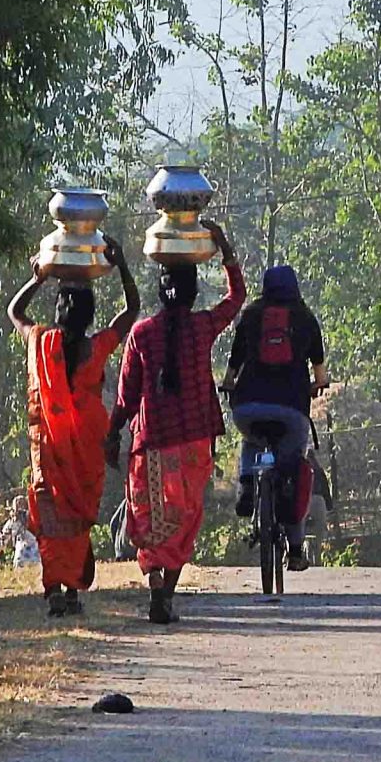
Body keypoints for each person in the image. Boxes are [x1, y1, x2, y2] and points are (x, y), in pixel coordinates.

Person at [105, 222, 245, 625]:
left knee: (149, 521)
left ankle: (156, 590)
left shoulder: (141, 333)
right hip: (193, 440)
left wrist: (113, 433)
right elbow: (237, 299)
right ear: (193, 292)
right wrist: (225, 248)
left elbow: (126, 396)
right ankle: (167, 592)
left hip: (150, 442)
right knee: (185, 518)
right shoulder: (202, 327)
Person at [7, 237, 141, 617]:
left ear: (59, 312)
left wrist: (39, 277)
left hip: (48, 449)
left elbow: (15, 311)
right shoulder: (96, 348)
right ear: (89, 315)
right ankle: (70, 589)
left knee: (51, 521)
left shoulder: (40, 342)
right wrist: (121, 266)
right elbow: (132, 311)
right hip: (85, 448)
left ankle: (53, 587)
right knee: (77, 520)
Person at [220, 265, 330, 572]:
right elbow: (320, 374)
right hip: (292, 410)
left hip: (249, 407)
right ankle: (295, 550)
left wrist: (229, 385)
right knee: (292, 472)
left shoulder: (251, 315)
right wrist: (315, 386)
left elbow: (233, 365)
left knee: (251, 439)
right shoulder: (306, 319)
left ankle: (246, 484)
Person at [0, 496, 41, 570]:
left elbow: (2, 542)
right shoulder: (35, 518)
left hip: (21, 559)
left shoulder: (12, 522)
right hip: (37, 559)